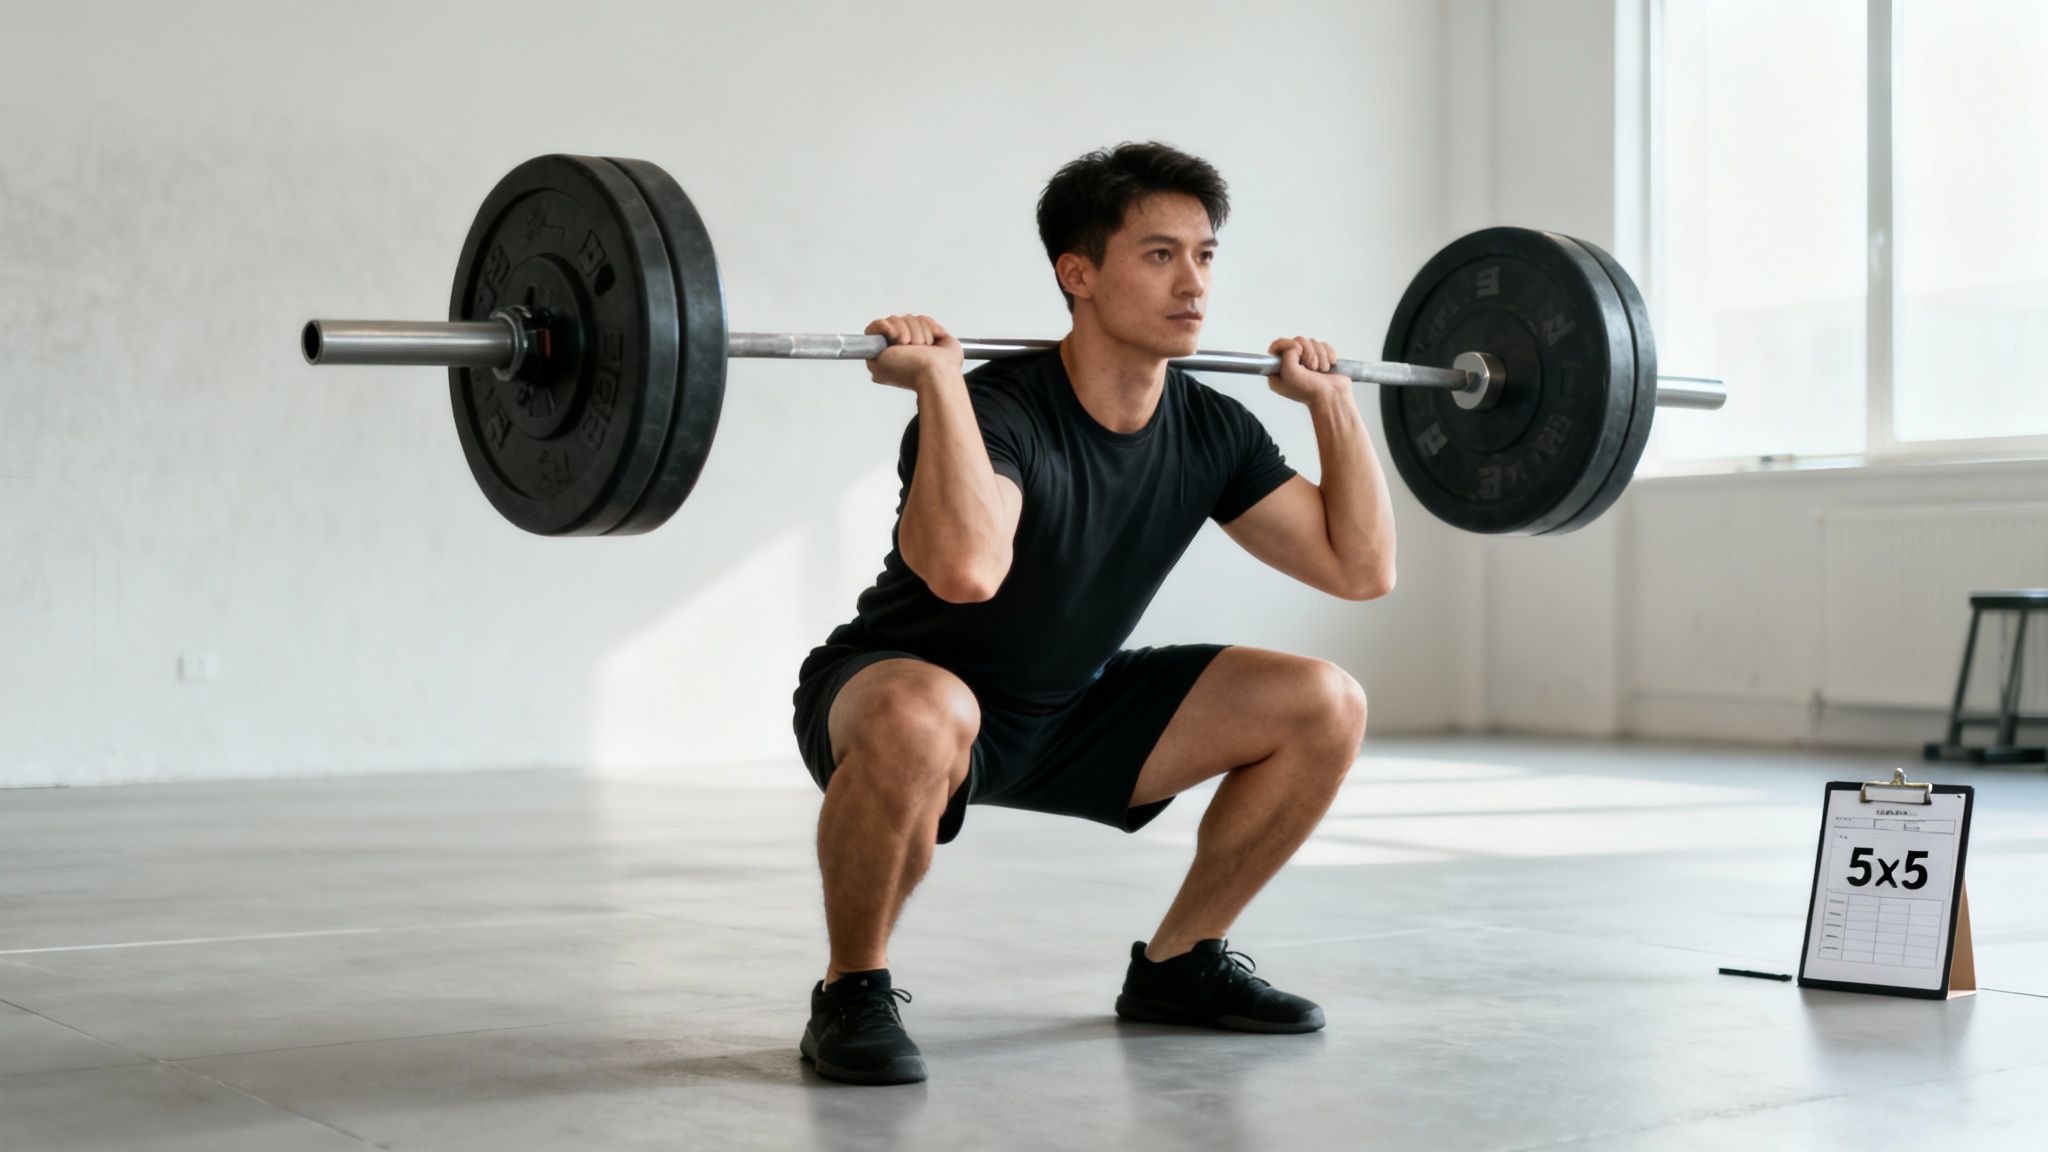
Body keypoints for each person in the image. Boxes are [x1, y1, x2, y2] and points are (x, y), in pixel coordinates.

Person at [789, 142, 1396, 1085]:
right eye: (1160, 255)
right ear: (1078, 274)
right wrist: (942, 384)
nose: (1193, 283)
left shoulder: (1212, 427)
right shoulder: (999, 410)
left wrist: (1334, 406)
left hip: (1072, 709)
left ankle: (1181, 964)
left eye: (1204, 255)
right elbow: (967, 572)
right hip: (898, 694)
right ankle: (851, 990)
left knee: (1326, 701)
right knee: (926, 711)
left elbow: (1359, 569)